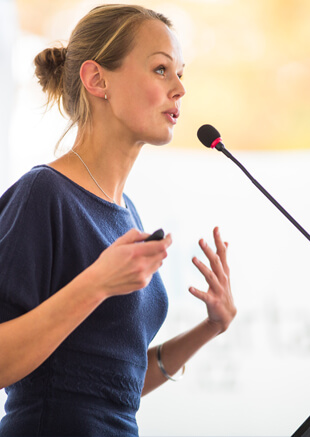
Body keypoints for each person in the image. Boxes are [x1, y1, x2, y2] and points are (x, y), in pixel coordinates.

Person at [0, 4, 236, 436]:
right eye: (162, 69)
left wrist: (210, 328)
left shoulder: (126, 211)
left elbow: (109, 387)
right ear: (96, 80)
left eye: (181, 72)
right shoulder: (44, 194)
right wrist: (98, 283)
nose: (180, 87)